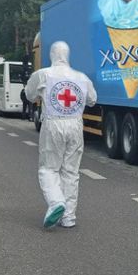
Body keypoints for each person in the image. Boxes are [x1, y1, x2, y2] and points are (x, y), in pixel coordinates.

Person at [23, 41, 97, 229]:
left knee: (49, 168)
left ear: (52, 55)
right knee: (71, 172)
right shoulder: (81, 77)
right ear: (68, 55)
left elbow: (29, 95)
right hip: (75, 125)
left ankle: (56, 202)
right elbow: (92, 100)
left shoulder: (43, 74)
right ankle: (69, 218)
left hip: (53, 123)